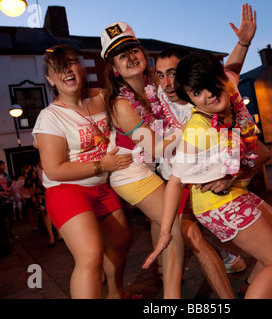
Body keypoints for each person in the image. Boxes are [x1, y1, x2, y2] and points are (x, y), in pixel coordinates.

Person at [143, 51, 272, 299]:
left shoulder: (231, 96)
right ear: (190, 100)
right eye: (196, 93)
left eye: (209, 84)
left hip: (236, 191)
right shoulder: (198, 129)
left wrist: (244, 42)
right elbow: (174, 181)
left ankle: (249, 287)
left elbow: (263, 153)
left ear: (221, 79)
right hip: (218, 203)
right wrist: (165, 233)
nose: (207, 95)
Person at [154, 3, 260, 298]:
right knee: (189, 233)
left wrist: (243, 42)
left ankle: (242, 279)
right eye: (160, 75)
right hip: (182, 179)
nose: (167, 83)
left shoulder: (208, 95)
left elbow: (230, 73)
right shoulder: (157, 106)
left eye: (173, 73)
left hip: (216, 179)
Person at [33, 44, 135, 299]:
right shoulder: (50, 117)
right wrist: (103, 165)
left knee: (121, 242)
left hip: (102, 188)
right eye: (57, 68)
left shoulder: (101, 97)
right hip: (66, 190)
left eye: (70, 62)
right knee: (90, 255)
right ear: (50, 80)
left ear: (81, 67)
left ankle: (116, 293)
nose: (66, 70)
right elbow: (54, 169)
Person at [101, 21, 185, 299]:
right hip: (130, 173)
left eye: (133, 49)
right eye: (121, 55)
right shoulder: (121, 104)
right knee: (171, 224)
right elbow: (157, 148)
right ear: (115, 69)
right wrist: (191, 129)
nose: (130, 57)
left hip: (151, 168)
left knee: (162, 221)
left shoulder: (155, 86)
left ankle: (162, 269)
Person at [0, 160, 15, 243]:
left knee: (11, 217)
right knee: (5, 218)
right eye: (2, 165)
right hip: (0, 198)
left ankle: (10, 232)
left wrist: (8, 191)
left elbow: (10, 184)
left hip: (8, 197)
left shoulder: (6, 175)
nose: (4, 167)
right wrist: (2, 193)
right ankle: (7, 235)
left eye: (4, 165)